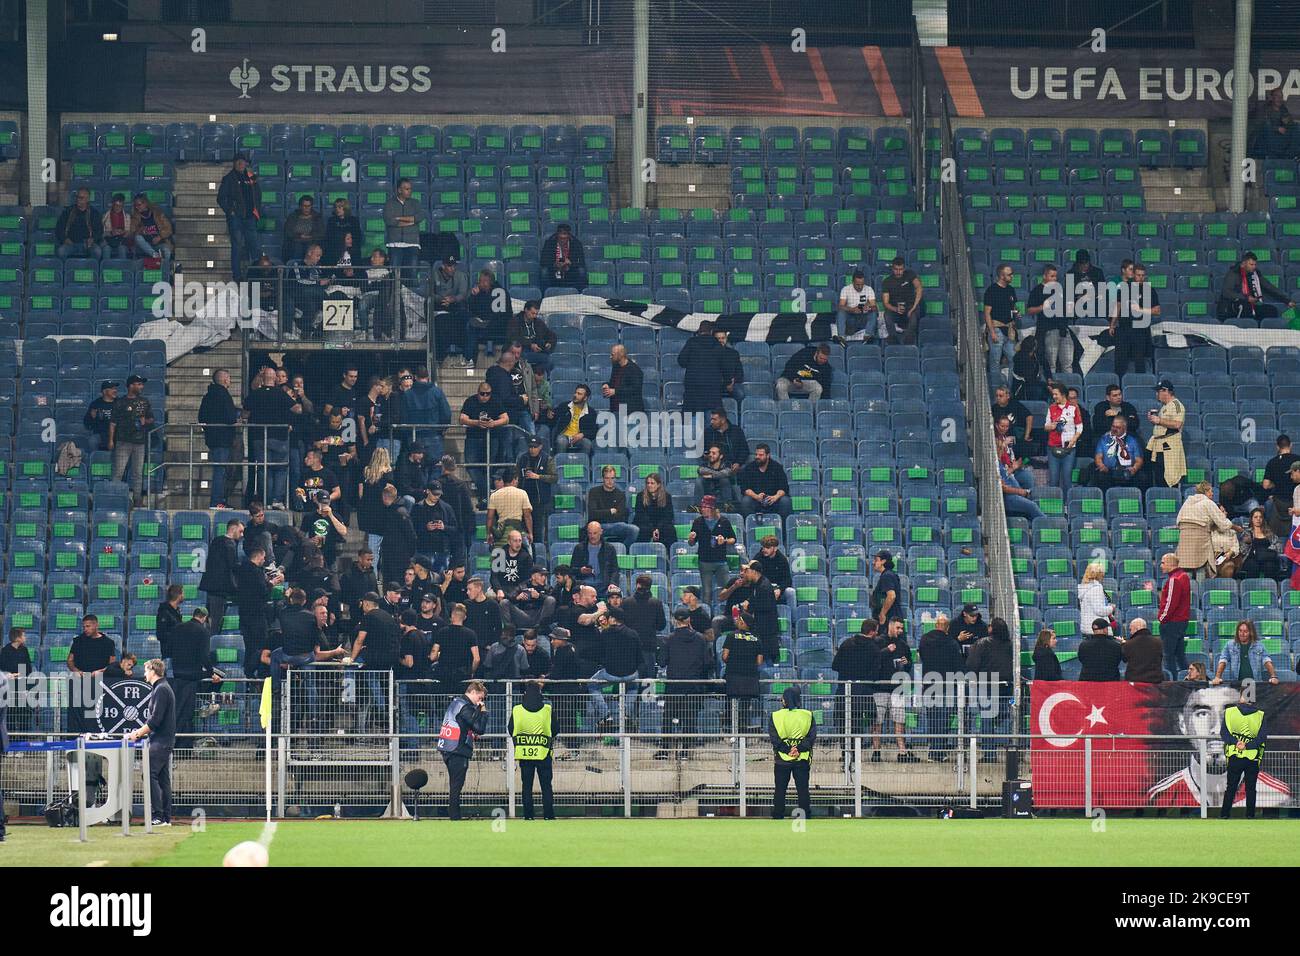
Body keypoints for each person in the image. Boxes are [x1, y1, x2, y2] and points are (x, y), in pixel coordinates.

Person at [657, 609, 712, 758]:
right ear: (689, 620)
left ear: (675, 621)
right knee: (689, 718)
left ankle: (665, 750)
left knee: (668, 717)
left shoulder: (669, 639)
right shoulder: (701, 639)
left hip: (674, 686)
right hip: (693, 686)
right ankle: (685, 751)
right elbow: (708, 662)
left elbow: (661, 662)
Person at [127, 659, 176, 826]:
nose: (144, 674)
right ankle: (165, 818)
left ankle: (158, 816)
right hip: (163, 740)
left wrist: (137, 734)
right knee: (162, 779)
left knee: (149, 774)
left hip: (160, 740)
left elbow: (155, 720)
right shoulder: (162, 688)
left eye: (146, 671)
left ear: (153, 671)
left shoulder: (161, 689)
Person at [436, 679, 488, 820]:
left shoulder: (456, 703)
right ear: (473, 692)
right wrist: (483, 712)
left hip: (448, 747)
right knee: (456, 785)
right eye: (480, 697)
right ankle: (454, 816)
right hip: (457, 749)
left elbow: (462, 725)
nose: (480, 701)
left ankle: (454, 814)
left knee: (455, 783)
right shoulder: (465, 706)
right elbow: (480, 728)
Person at [967, 617, 1015, 759]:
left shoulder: (981, 644)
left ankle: (989, 753)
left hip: (986, 687)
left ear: (992, 629)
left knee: (987, 719)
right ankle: (1012, 751)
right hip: (1005, 687)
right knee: (1004, 716)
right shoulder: (1009, 645)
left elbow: (972, 664)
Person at [169, 608, 219, 737]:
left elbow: (170, 649)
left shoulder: (177, 628)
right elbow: (204, 656)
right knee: (187, 712)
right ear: (204, 618)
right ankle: (207, 703)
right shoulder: (203, 631)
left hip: (177, 674)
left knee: (177, 710)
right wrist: (210, 672)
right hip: (192, 675)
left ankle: (175, 742)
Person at [509, 681, 555, 820]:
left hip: (525, 754)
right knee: (546, 786)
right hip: (543, 753)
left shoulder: (517, 710)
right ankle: (549, 815)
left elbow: (511, 728)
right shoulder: (547, 709)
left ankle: (528, 816)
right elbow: (556, 728)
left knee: (526, 787)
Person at [1220, 688, 1268, 819]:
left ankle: (1224, 815)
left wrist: (1237, 743)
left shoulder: (1229, 712)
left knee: (1231, 787)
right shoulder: (1260, 715)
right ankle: (1250, 815)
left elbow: (1224, 733)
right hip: (1252, 756)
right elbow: (1262, 737)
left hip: (1235, 754)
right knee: (1251, 788)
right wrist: (1247, 745)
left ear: (1241, 697)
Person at [768, 686, 816, 819]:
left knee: (780, 789)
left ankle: (778, 815)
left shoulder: (775, 716)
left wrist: (788, 750)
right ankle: (804, 815)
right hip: (802, 758)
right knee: (803, 790)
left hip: (782, 759)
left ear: (785, 700)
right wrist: (798, 749)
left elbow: (775, 739)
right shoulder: (808, 715)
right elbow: (811, 738)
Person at [872, 618, 916, 762]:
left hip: (897, 689)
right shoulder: (878, 642)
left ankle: (902, 751)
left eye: (901, 628)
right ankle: (876, 752)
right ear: (890, 626)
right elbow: (872, 660)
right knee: (877, 722)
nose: (900, 631)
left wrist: (906, 663)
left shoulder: (903, 645)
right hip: (880, 688)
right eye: (898, 628)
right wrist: (886, 651)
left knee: (899, 721)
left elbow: (909, 664)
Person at [108, 374, 155, 505]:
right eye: (139, 384)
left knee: (138, 473)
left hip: (140, 443)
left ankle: (138, 500)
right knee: (118, 472)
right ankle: (114, 500)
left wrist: (145, 420)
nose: (141, 386)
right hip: (123, 441)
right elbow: (113, 423)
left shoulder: (145, 402)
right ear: (131, 386)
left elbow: (151, 419)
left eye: (141, 384)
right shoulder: (120, 402)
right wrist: (111, 440)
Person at [1176, 481, 1238, 579]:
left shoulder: (1187, 502)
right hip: (1199, 539)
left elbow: (1178, 521)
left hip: (1184, 540)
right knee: (1200, 567)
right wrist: (1236, 527)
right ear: (1206, 491)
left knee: (1187, 568)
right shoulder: (1208, 503)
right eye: (1211, 491)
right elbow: (1223, 524)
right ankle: (1200, 590)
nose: (1212, 494)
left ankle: (1188, 591)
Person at [459, 381, 510, 502]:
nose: (485, 397)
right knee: (471, 465)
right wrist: (476, 422)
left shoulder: (495, 401)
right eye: (482, 394)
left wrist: (493, 423)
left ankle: (485, 496)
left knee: (488, 466)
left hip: (492, 438)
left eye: (488, 394)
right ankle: (486, 493)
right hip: (473, 438)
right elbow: (462, 418)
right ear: (478, 393)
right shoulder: (471, 401)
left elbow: (506, 419)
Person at [198, 369, 239, 508]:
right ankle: (217, 502)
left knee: (219, 470)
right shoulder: (224, 395)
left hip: (212, 439)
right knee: (220, 471)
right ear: (225, 379)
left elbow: (201, 417)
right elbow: (230, 417)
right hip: (223, 439)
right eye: (229, 378)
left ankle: (218, 501)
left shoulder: (208, 395)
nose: (231, 381)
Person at [217, 153, 262, 280]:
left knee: (254, 246)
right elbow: (221, 198)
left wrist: (256, 210)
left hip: (250, 217)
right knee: (237, 246)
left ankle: (256, 274)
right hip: (236, 218)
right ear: (234, 163)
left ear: (246, 163)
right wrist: (230, 211)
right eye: (238, 162)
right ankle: (237, 276)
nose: (240, 164)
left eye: (242, 162)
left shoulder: (251, 177)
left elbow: (257, 195)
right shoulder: (229, 178)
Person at [1216, 252, 1295, 321]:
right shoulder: (1233, 274)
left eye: (1255, 264)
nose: (1254, 267)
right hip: (1231, 306)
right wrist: (1246, 298)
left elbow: (1269, 287)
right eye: (1251, 264)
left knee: (1271, 310)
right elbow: (1227, 292)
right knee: (1245, 306)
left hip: (1251, 304)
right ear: (1243, 264)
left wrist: (1286, 300)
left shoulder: (1255, 274)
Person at [689, 495, 736, 606]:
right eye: (702, 507)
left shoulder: (724, 522)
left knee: (727, 590)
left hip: (721, 562)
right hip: (705, 562)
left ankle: (728, 613)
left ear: (713, 508)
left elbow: (733, 539)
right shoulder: (698, 522)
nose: (703, 509)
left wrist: (724, 541)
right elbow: (691, 543)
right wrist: (691, 538)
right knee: (707, 592)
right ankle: (707, 617)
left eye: (706, 507)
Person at [721, 610, 763, 731]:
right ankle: (742, 731)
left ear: (743, 623)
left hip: (733, 675)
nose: (737, 621)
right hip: (750, 677)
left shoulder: (731, 636)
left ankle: (730, 729)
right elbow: (759, 661)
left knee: (731, 703)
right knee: (745, 705)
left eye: (739, 619)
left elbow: (724, 656)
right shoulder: (757, 639)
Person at [200, 518, 242, 634]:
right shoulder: (230, 544)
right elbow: (233, 565)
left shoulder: (216, 541)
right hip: (220, 588)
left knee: (210, 618)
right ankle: (211, 645)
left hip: (210, 586)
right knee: (216, 622)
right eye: (240, 531)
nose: (241, 535)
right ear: (233, 529)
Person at [1027, 264, 1071, 373]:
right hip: (1049, 331)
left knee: (1068, 364)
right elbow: (1030, 310)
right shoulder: (1037, 291)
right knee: (1051, 364)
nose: (1054, 279)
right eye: (1052, 276)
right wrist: (1043, 307)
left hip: (1064, 330)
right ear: (1044, 276)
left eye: (1055, 276)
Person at [1154, 553, 1192, 677]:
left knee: (1168, 655)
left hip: (1172, 623)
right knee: (1180, 655)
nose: (1161, 566)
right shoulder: (1184, 576)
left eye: (1163, 563)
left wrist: (1162, 618)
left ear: (1171, 564)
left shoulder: (1174, 579)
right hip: (1181, 623)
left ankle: (1172, 683)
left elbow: (1170, 603)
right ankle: (1188, 679)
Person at [983, 262, 1020, 390]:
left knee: (1014, 359)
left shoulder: (1011, 290)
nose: (1012, 277)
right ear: (1002, 276)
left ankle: (1008, 389)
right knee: (994, 362)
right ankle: (996, 391)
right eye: (1010, 275)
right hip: (997, 329)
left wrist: (1016, 314)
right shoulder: (992, 290)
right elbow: (987, 313)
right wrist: (992, 332)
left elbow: (1013, 308)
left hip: (1009, 330)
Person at [677, 322, 727, 413]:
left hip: (693, 386)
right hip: (713, 387)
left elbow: (681, 361)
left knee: (690, 416)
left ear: (699, 331)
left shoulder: (692, 342)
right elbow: (725, 367)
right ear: (711, 331)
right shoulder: (718, 345)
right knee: (713, 416)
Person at [1212, 620, 1280, 685]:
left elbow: (1266, 660)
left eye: (1245, 631)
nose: (1242, 634)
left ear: (1251, 632)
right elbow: (1223, 660)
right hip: (1236, 684)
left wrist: (1273, 676)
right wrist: (1217, 677)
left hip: (1255, 684)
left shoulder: (1259, 645)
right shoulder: (1230, 645)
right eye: (1240, 631)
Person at [1146, 380, 1187, 488]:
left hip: (1170, 446)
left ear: (1166, 391)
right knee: (1159, 476)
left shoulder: (1177, 405)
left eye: (1158, 391)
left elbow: (1177, 424)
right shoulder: (1164, 406)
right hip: (1159, 446)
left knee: (1169, 476)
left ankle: (1172, 499)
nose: (1156, 394)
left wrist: (1159, 420)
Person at [1087, 413, 1144, 491]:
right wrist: (1102, 466)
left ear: (1124, 428)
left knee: (1141, 477)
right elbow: (1098, 457)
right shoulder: (1104, 439)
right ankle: (1104, 502)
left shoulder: (1132, 441)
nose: (1114, 429)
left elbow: (1139, 460)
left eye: (1118, 427)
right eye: (1113, 426)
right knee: (1099, 476)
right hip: (1109, 471)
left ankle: (1134, 500)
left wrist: (1134, 469)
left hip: (1127, 470)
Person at [586, 464, 639, 546]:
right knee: (592, 528)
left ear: (615, 479)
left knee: (634, 530)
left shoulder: (620, 494)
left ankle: (622, 550)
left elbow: (621, 515)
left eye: (612, 478)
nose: (610, 481)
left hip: (617, 525)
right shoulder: (593, 492)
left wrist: (602, 513)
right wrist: (610, 511)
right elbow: (593, 513)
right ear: (603, 479)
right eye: (607, 478)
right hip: (599, 525)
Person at [735, 444, 791, 518]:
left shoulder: (777, 467)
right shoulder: (749, 468)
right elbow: (744, 488)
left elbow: (784, 487)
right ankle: (750, 526)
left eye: (761, 455)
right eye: (756, 454)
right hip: (756, 500)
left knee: (785, 501)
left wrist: (775, 497)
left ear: (767, 455)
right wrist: (756, 496)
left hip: (773, 500)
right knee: (746, 501)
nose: (757, 457)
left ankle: (783, 528)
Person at [1045, 381, 1081, 493]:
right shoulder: (1051, 408)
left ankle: (1067, 505)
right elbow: (1045, 426)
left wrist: (1074, 439)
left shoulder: (1073, 408)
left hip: (1069, 448)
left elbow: (1079, 427)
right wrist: (1051, 426)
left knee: (1067, 478)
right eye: (1053, 394)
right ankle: (1055, 506)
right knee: (1054, 479)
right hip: (1053, 448)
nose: (1054, 396)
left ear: (1063, 394)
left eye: (1056, 394)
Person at [879, 256, 923, 344]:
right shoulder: (887, 282)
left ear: (904, 268)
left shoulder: (910, 274)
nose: (898, 272)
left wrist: (913, 308)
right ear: (892, 268)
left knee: (913, 318)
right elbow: (886, 303)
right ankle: (893, 338)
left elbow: (919, 288)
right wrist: (895, 309)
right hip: (895, 308)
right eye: (896, 269)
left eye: (901, 269)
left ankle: (908, 341)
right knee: (887, 316)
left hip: (911, 307)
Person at [506, 300, 558, 372]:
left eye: (536, 314)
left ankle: (537, 376)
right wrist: (530, 345)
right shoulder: (515, 321)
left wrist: (549, 343)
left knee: (549, 360)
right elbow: (513, 338)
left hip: (535, 351)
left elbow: (551, 335)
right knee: (546, 359)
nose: (534, 316)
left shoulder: (538, 322)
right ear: (526, 310)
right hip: (520, 351)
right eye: (533, 313)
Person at [486, 467, 534, 544]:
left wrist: (489, 534)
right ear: (514, 479)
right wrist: (530, 533)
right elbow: (527, 516)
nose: (517, 482)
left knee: (499, 554)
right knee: (527, 552)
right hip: (518, 530)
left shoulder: (494, 495)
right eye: (517, 479)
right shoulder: (522, 493)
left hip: (501, 532)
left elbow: (490, 517)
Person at [568, 521, 619, 592]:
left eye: (595, 533)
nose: (592, 536)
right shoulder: (579, 548)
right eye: (590, 533)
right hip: (585, 585)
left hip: (604, 586)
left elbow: (614, 570)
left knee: (615, 595)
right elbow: (572, 570)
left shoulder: (609, 548)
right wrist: (580, 570)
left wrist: (613, 583)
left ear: (601, 532)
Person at [546, 383, 596, 455]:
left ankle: (581, 465)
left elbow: (594, 430)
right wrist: (550, 416)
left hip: (578, 438)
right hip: (564, 436)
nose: (575, 395)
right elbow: (552, 419)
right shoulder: (564, 406)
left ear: (585, 398)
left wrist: (583, 434)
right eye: (575, 393)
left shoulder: (591, 412)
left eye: (579, 394)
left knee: (587, 443)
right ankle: (561, 464)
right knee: (561, 441)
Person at [55, 187, 103, 259]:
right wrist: (65, 239)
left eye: (81, 198)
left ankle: (92, 269)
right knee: (61, 251)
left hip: (87, 244)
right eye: (77, 197)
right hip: (71, 243)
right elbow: (59, 229)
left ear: (87, 199)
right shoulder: (68, 212)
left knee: (97, 251)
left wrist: (93, 239)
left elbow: (99, 230)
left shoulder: (94, 213)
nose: (78, 200)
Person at [602, 344, 645, 419]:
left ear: (621, 355)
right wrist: (606, 385)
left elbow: (635, 389)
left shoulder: (634, 370)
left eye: (613, 354)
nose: (610, 357)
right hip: (617, 410)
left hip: (631, 412)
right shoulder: (616, 367)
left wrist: (615, 391)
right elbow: (613, 383)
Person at [539, 222, 586, 291]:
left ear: (569, 236)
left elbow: (582, 262)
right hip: (554, 270)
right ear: (557, 235)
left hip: (571, 269)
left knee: (581, 271)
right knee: (544, 271)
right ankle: (545, 294)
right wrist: (554, 264)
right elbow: (543, 261)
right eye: (560, 237)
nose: (562, 240)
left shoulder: (576, 244)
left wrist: (571, 263)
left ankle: (579, 294)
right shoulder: (549, 243)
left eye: (565, 237)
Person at [835, 269, 878, 341]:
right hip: (851, 317)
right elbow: (841, 306)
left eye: (862, 284)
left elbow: (874, 307)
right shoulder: (845, 289)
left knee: (873, 313)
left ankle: (868, 336)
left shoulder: (869, 289)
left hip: (862, 316)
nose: (860, 287)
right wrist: (852, 309)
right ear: (853, 282)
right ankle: (841, 337)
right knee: (841, 313)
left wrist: (868, 307)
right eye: (858, 284)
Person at [128, 194, 173, 261]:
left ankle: (164, 268)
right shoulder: (135, 218)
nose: (137, 207)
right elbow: (131, 234)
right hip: (144, 246)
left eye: (139, 205)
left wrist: (160, 237)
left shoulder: (158, 214)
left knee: (166, 250)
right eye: (135, 205)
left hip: (159, 243)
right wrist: (140, 231)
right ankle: (155, 255)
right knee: (138, 238)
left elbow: (169, 229)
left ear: (145, 203)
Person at [281, 194, 324, 262]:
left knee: (311, 248)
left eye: (308, 206)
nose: (306, 208)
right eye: (304, 206)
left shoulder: (317, 217)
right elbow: (288, 232)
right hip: (296, 242)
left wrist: (310, 236)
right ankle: (295, 268)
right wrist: (300, 236)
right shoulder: (293, 217)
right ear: (300, 206)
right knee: (296, 247)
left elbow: (321, 233)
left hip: (312, 242)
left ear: (311, 206)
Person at [1077, 562, 1116, 637]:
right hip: (1098, 630)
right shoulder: (1096, 588)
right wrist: (1111, 608)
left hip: (1087, 628)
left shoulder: (1084, 587)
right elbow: (1099, 610)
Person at [1122, 617, 1165, 683]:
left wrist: (1123, 645)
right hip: (1155, 681)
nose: (1130, 632)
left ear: (1137, 629)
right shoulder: (1158, 642)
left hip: (1135, 681)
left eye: (1131, 629)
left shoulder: (1129, 644)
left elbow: (1124, 659)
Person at [83, 380, 119, 452]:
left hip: (117, 434)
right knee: (93, 440)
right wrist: (92, 417)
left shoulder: (120, 403)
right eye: (112, 389)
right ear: (104, 391)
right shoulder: (96, 404)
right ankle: (96, 461)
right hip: (101, 434)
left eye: (115, 389)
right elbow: (87, 424)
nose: (115, 390)